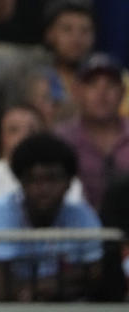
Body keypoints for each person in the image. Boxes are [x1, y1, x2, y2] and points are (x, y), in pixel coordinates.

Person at [0, 132, 103, 302]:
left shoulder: (82, 215)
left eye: (52, 179)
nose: (43, 189)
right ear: (21, 181)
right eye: (34, 179)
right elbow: (5, 293)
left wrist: (35, 288)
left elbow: (96, 277)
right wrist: (69, 279)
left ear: (69, 182)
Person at [0, 100, 83, 233]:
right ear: (0, 137)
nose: (23, 137)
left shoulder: (70, 183)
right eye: (14, 130)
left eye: (31, 130)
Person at [56, 52, 129, 211]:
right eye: (92, 84)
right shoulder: (60, 139)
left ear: (123, 91)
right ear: (77, 91)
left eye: (110, 84)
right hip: (76, 229)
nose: (102, 93)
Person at [41, 0, 95, 104]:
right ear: (49, 34)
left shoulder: (111, 80)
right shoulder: (33, 81)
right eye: (67, 29)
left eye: (85, 31)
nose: (77, 39)